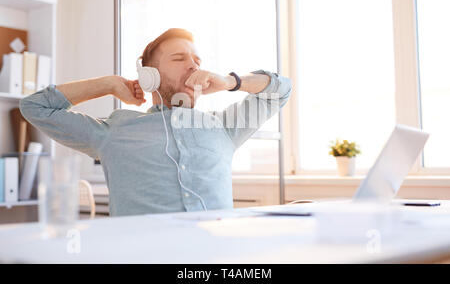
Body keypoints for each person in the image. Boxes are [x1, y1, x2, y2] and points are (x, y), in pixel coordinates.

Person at [19, 28, 292, 216]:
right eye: (179, 58)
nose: (194, 66)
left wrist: (230, 82)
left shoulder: (224, 127)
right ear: (150, 76)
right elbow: (35, 107)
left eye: (197, 60)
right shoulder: (115, 131)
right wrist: (107, 84)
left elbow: (281, 90)